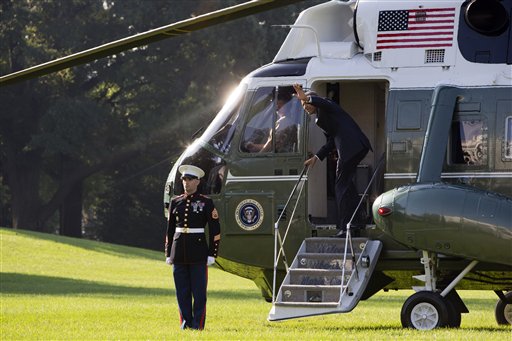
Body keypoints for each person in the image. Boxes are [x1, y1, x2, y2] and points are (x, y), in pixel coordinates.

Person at [293, 84, 372, 237]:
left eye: (307, 103)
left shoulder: (328, 106)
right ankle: (356, 221)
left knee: (340, 186)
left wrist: (307, 97)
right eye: (303, 105)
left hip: (351, 148)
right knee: (346, 186)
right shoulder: (320, 119)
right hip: (354, 148)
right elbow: (331, 141)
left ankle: (345, 228)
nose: (305, 107)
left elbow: (321, 101)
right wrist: (316, 157)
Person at [165, 164, 221, 330]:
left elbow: (215, 229)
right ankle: (185, 323)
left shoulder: (206, 202)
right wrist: (168, 253)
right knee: (182, 292)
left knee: (199, 293)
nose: (186, 183)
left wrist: (212, 253)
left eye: (190, 180)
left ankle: (198, 325)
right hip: (179, 252)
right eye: (184, 180)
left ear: (197, 181)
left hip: (198, 252)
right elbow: (169, 230)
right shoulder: (175, 202)